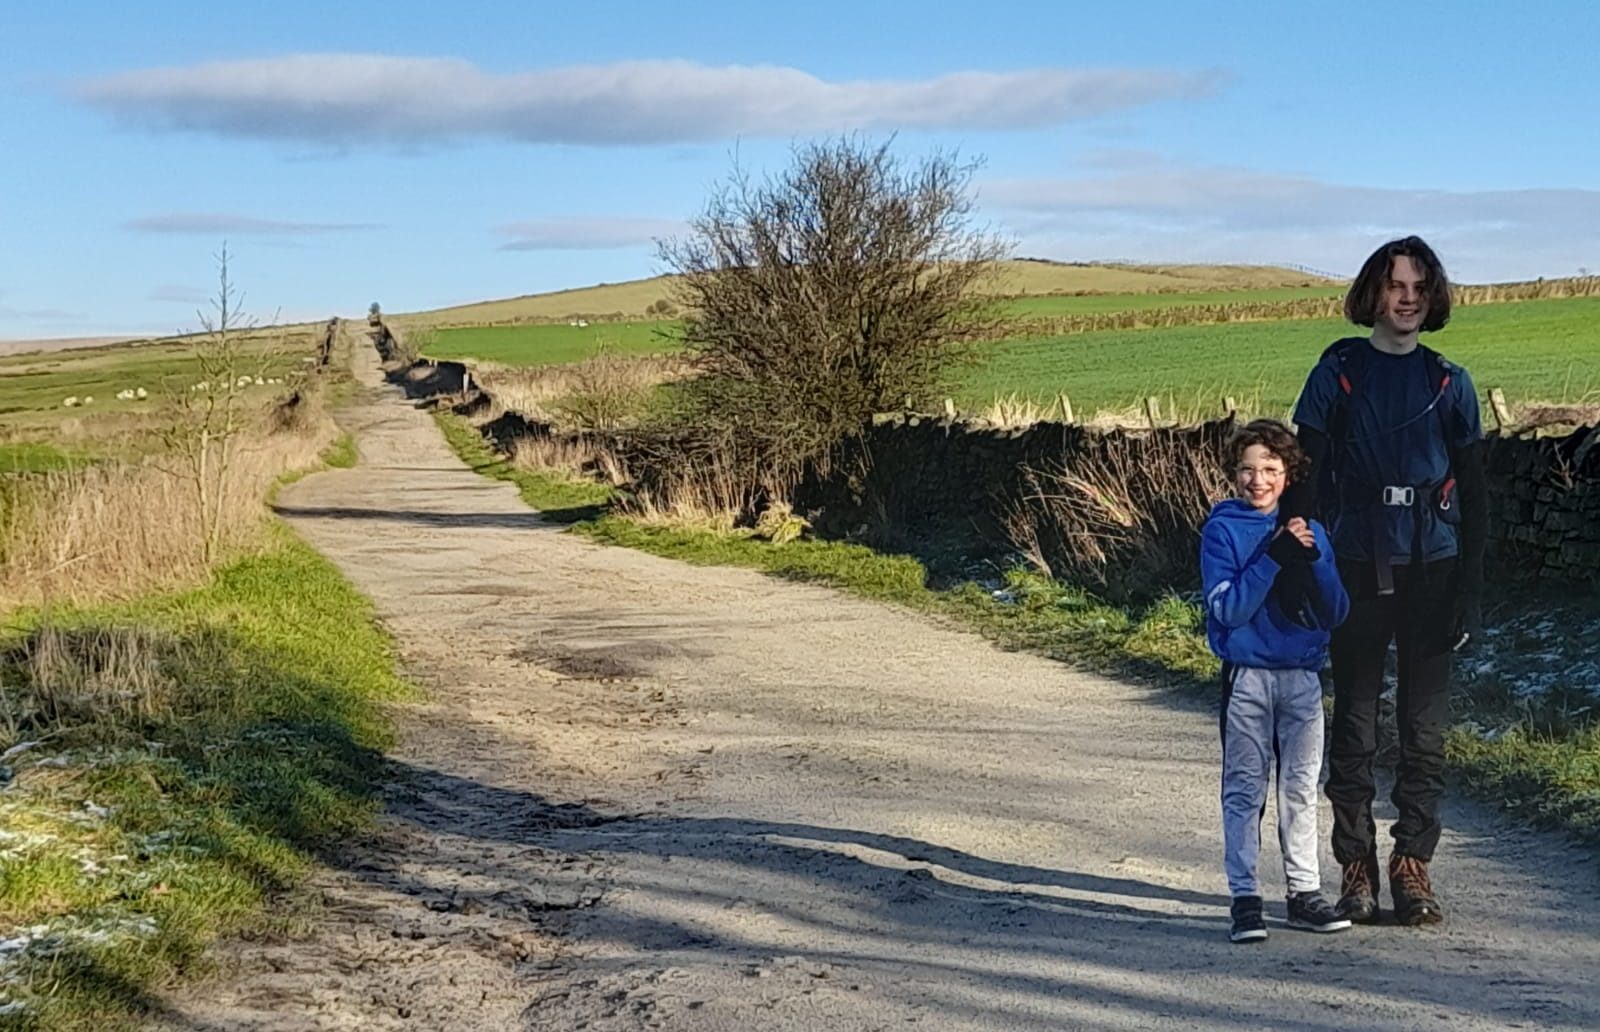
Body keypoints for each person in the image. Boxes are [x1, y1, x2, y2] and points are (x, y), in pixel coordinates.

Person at [1285, 236, 1488, 926]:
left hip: (1434, 569)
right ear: (1374, 291)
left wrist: (1470, 587)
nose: (1407, 298)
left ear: (1433, 298)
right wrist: (1299, 566)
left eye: (1419, 287)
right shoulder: (1337, 372)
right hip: (1354, 569)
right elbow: (1303, 480)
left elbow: (1479, 496)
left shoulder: (1448, 382)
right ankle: (1357, 869)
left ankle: (1413, 866)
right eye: (1396, 285)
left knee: (1424, 733)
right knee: (1356, 729)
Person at [1200, 418, 1352, 943]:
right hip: (1248, 679)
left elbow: (1335, 611)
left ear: (1289, 473)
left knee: (1300, 789)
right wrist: (1271, 559)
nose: (1258, 480)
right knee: (1244, 789)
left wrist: (1314, 562)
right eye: (1246, 470)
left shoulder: (1309, 528)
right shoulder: (1221, 531)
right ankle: (1245, 897)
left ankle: (1304, 892)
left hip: (1302, 679)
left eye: (1270, 469)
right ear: (1232, 475)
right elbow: (1231, 610)